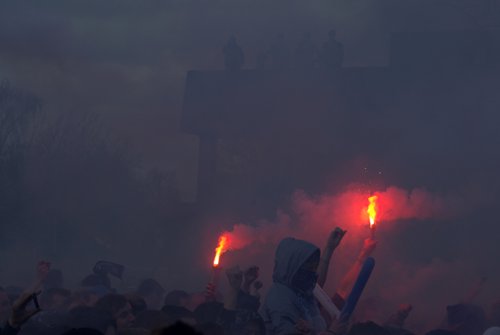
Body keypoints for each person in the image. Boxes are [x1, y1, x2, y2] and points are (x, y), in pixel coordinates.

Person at [261, 237, 345, 335]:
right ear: (292, 266)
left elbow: (317, 285)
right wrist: (332, 332)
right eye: (308, 266)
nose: (312, 272)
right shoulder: (280, 298)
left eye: (314, 267)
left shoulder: (301, 294)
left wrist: (329, 248)